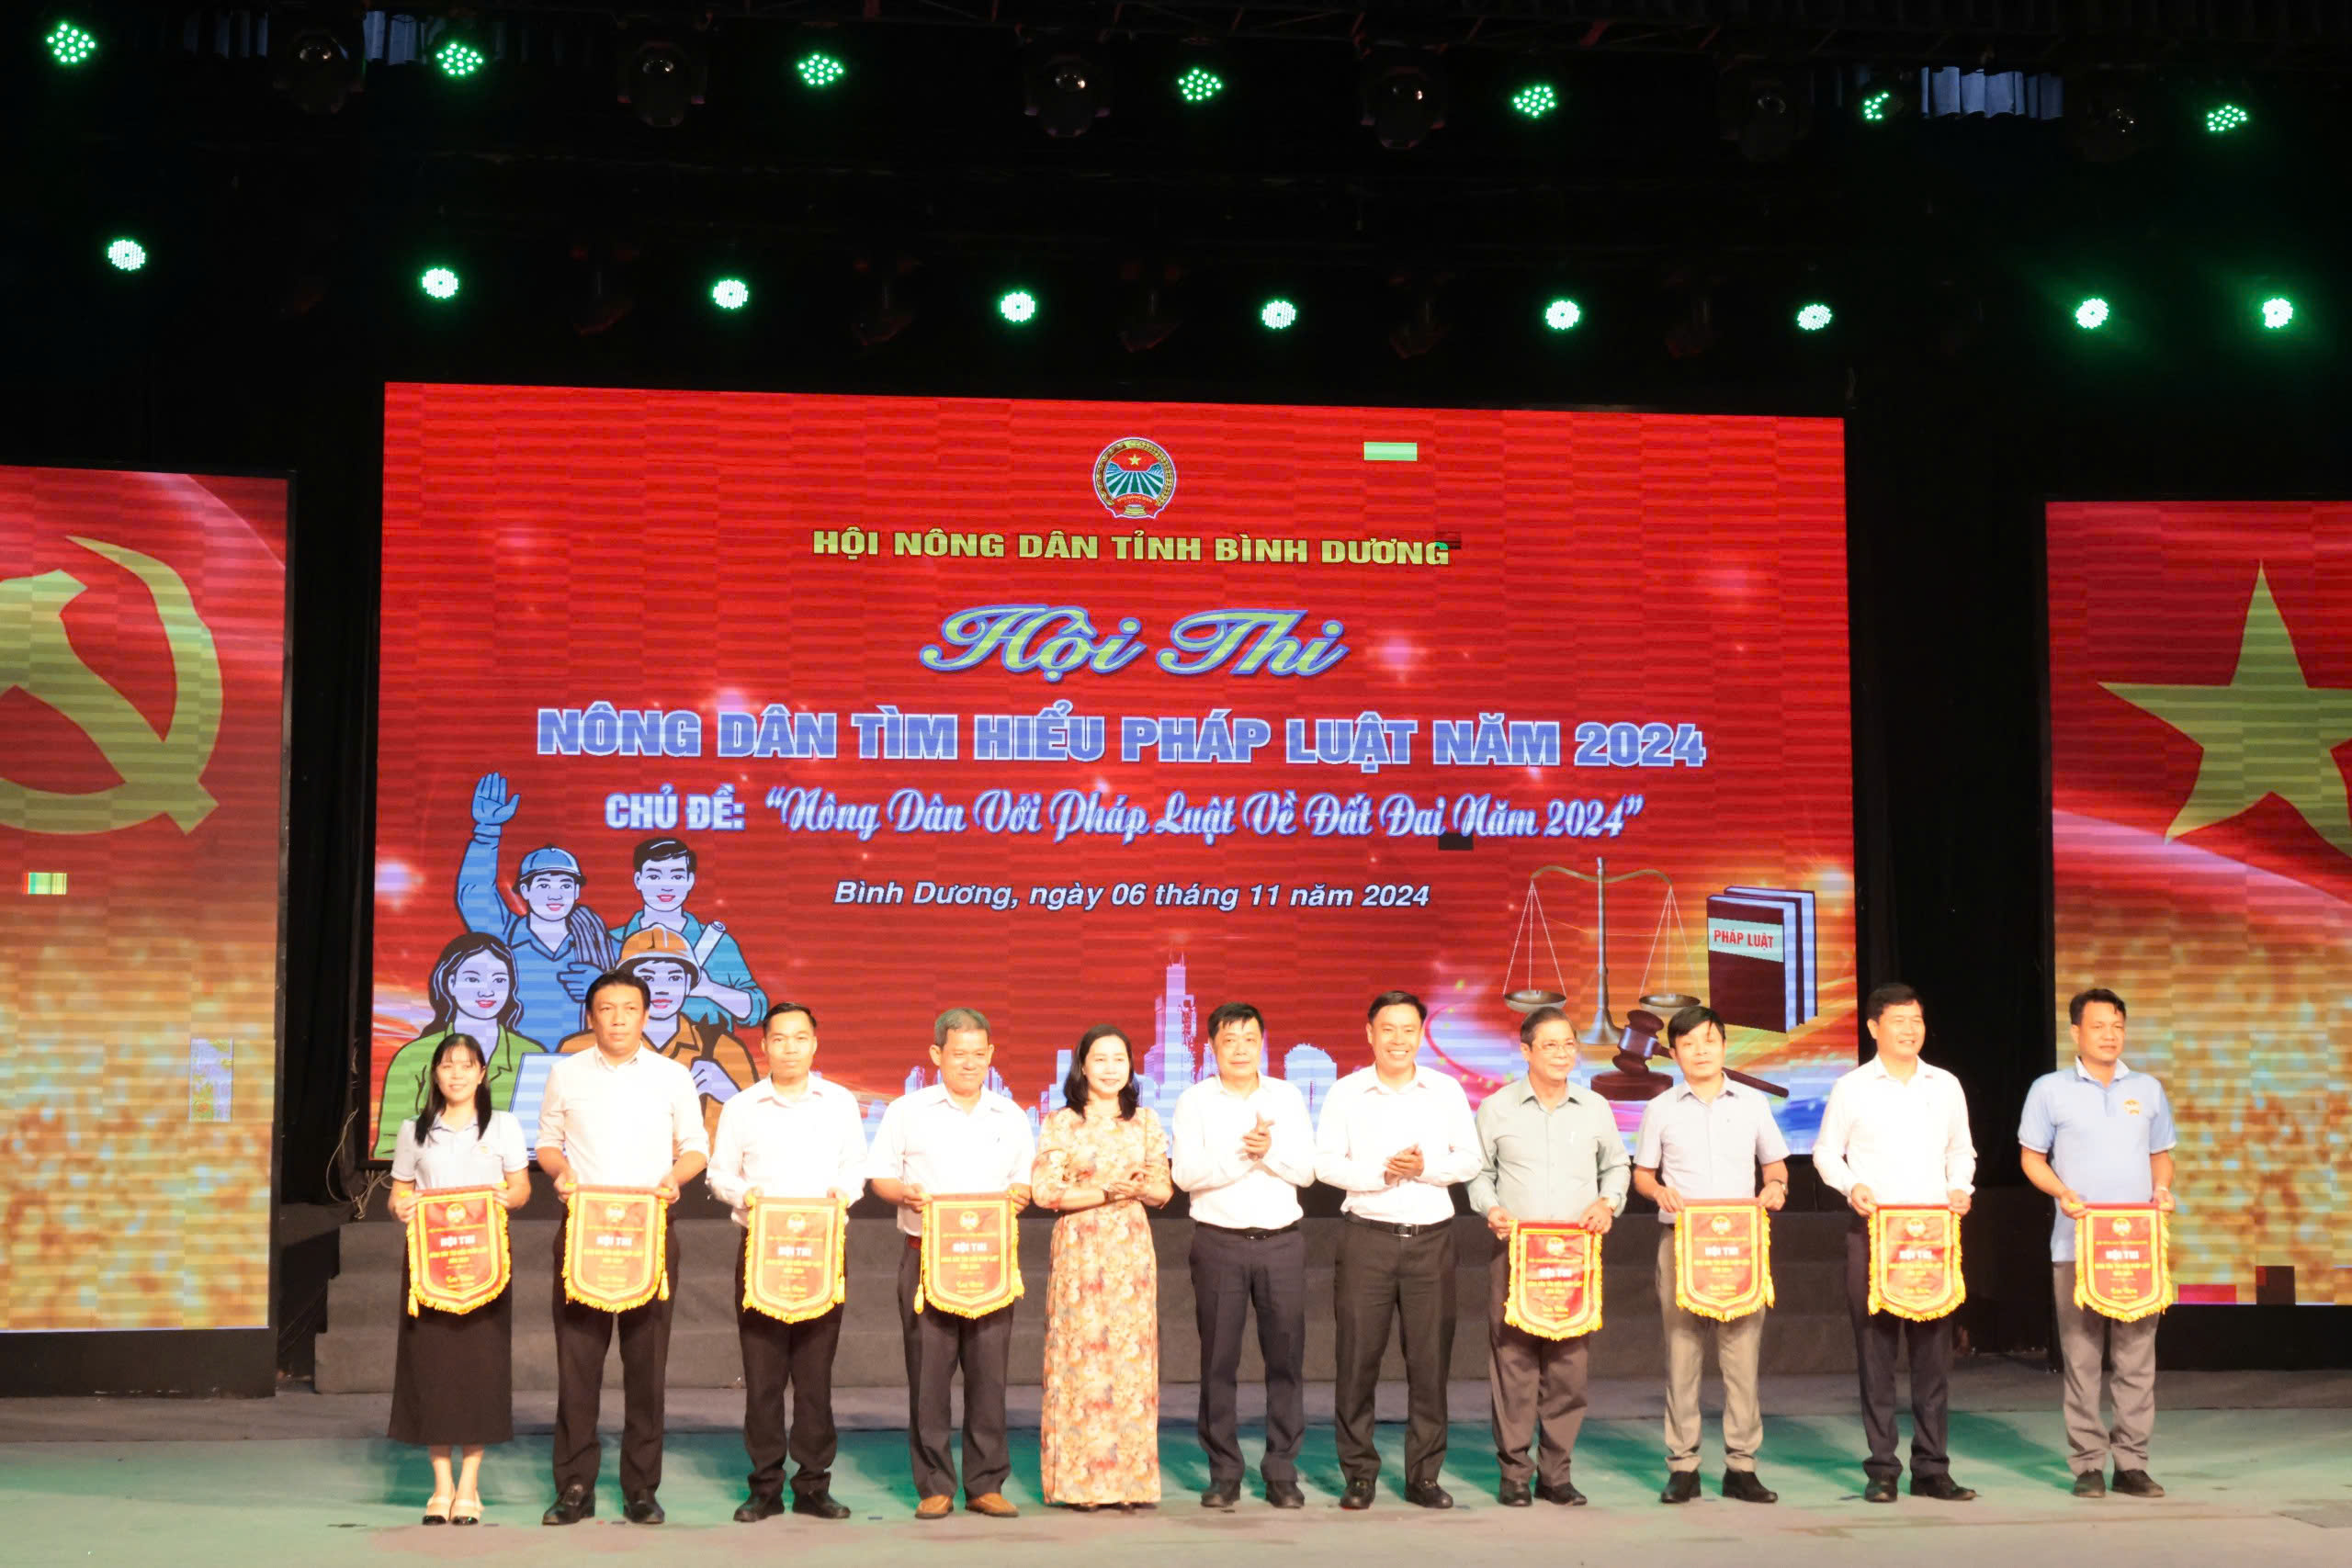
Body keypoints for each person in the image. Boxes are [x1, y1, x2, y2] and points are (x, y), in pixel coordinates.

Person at [535, 971, 710, 1527]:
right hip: (584, 1233)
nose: (616, 1018)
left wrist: (674, 1180)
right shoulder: (564, 1074)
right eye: (606, 1008)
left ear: (645, 1014)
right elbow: (547, 1143)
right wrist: (560, 1174)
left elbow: (695, 1147)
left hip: (650, 1233)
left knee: (646, 1364)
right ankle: (574, 1486)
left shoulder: (672, 1076)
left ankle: (641, 1487)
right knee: (577, 1364)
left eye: (628, 1008)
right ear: (591, 1016)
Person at [1315, 989, 1482, 1510]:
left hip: (1431, 1240)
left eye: (1408, 1030)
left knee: (1429, 1363)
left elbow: (1470, 1160)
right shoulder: (1346, 1092)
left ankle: (1424, 1475)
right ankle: (1359, 1473)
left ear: (1420, 1034)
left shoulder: (1445, 1091)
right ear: (1369, 1033)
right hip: (1367, 1238)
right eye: (1388, 1029)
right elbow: (1325, 1165)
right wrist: (1382, 1173)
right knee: (1357, 1360)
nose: (1398, 1040)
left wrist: (1423, 1168)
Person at [1814, 981, 1979, 1505]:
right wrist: (1851, 1186)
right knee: (1876, 1353)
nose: (1910, 1031)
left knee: (1933, 1359)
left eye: (1917, 1021)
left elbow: (1962, 1151)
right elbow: (1825, 1153)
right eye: (1899, 1021)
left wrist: (1960, 1187)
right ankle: (1882, 1467)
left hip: (1932, 1235)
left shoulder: (1945, 1085)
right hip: (1874, 1232)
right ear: (1873, 1028)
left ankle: (1932, 1468)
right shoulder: (1852, 1087)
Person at [868, 1007, 1036, 1519]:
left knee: (990, 1377)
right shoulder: (906, 1111)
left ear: (991, 1055)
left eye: (978, 1054)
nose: (969, 1063)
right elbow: (880, 1177)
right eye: (957, 1053)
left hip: (990, 1264)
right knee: (929, 1377)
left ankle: (986, 1483)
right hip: (926, 1261)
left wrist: (1021, 1195)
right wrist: (907, 1195)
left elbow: (1024, 1181)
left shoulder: (1010, 1114)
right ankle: (935, 1484)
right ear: (937, 1055)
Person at [705, 1002, 868, 1524]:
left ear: (815, 1044)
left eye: (800, 1038)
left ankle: (814, 1484)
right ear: (765, 1045)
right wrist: (745, 1195)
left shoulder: (839, 1102)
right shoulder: (742, 1106)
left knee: (815, 1377)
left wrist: (840, 1195)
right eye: (780, 1039)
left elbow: (855, 1170)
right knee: (764, 1376)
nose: (790, 1048)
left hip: (822, 1255)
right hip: (761, 1254)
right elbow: (718, 1174)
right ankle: (765, 1486)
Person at [2018, 987, 2178, 1500]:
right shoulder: (2049, 1090)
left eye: (2117, 1026)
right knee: (2082, 1358)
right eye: (2098, 1027)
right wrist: (2062, 1192)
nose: (2110, 1035)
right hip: (2076, 1245)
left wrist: (2163, 1190)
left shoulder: (2148, 1089)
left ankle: (2132, 1463)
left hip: (2137, 1247)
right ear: (2075, 1034)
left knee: (2136, 1360)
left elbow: (2161, 1154)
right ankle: (2088, 1463)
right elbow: (2031, 1158)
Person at [1470, 1003, 1629, 1508]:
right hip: (1516, 1252)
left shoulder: (1595, 1107)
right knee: (1513, 1365)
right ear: (1526, 1051)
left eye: (1569, 1045)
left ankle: (1556, 1474)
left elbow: (1618, 1166)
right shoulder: (1496, 1107)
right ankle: (1515, 1473)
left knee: (1568, 1370)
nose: (1562, 1054)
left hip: (1576, 1258)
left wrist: (1609, 1202)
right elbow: (1479, 1173)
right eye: (1550, 1045)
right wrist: (1490, 1208)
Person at [1631, 1004, 1790, 1506]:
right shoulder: (1661, 1107)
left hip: (1739, 1244)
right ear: (1674, 1053)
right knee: (1683, 1354)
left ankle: (1742, 1466)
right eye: (1689, 1043)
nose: (1700, 1050)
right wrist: (1658, 1193)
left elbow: (1777, 1166)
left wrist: (1778, 1189)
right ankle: (1684, 1466)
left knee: (1741, 1356)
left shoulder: (1751, 1104)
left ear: (1724, 1045)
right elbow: (1642, 1175)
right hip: (1682, 1241)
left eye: (1709, 1039)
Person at [1170, 1002, 1314, 1511]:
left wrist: (1268, 1150)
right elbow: (1185, 1176)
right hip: (1219, 1243)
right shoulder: (1194, 1101)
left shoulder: (1288, 1097)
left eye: (1249, 1039)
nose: (1239, 1049)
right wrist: (1241, 1153)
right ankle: (1224, 1472)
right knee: (1218, 1363)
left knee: (1286, 1361)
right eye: (1229, 1040)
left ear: (1262, 1042)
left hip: (1281, 1242)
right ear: (1211, 1047)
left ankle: (1282, 1471)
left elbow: (1305, 1172)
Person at [388, 1033, 534, 1525]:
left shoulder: (504, 1126)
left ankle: (470, 1485)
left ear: (481, 1073)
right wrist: (401, 1207)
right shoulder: (414, 1129)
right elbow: (398, 1195)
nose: (456, 1074)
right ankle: (440, 1485)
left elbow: (521, 1189)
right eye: (447, 1066)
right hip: (429, 1265)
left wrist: (502, 1199)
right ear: (435, 1073)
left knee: (479, 1369)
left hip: (486, 1263)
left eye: (466, 1065)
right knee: (431, 1369)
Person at [1032, 1025, 1175, 1509]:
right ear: (1083, 1066)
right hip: (1081, 1248)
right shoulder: (1061, 1123)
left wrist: (1132, 1190)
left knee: (1131, 1365)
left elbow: (1162, 1192)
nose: (1111, 1068)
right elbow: (1046, 1193)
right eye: (1101, 1059)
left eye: (1120, 1059)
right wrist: (1108, 1191)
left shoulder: (1147, 1122)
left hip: (1131, 1250)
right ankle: (1081, 1484)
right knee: (1082, 1364)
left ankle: (1131, 1484)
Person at [455, 771, 616, 1050]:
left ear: (577, 892)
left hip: (585, 1070)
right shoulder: (502, 938)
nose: (555, 894)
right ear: (525, 891)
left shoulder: (602, 945)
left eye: (566, 885)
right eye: (543, 884)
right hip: (511, 1066)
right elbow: (474, 894)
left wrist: (604, 987)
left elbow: (643, 993)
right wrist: (487, 832)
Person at [559, 926, 760, 1142]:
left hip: (700, 1173)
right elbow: (553, 1137)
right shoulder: (578, 1050)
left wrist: (729, 1095)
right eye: (649, 977)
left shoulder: (724, 1049)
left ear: (689, 986)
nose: (662, 989)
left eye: (674, 978)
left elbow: (762, 1136)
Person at [375, 932, 546, 1158]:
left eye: (499, 980)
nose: (487, 990)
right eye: (473, 979)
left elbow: (545, 1140)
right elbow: (389, 1149)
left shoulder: (532, 1055)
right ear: (450, 983)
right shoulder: (412, 1056)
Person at [608, 836, 767, 1031]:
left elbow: (757, 1010)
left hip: (710, 1056)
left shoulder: (718, 945)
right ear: (638, 880)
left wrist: (710, 989)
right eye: (654, 876)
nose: (666, 886)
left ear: (690, 880)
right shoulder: (612, 941)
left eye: (676, 876)